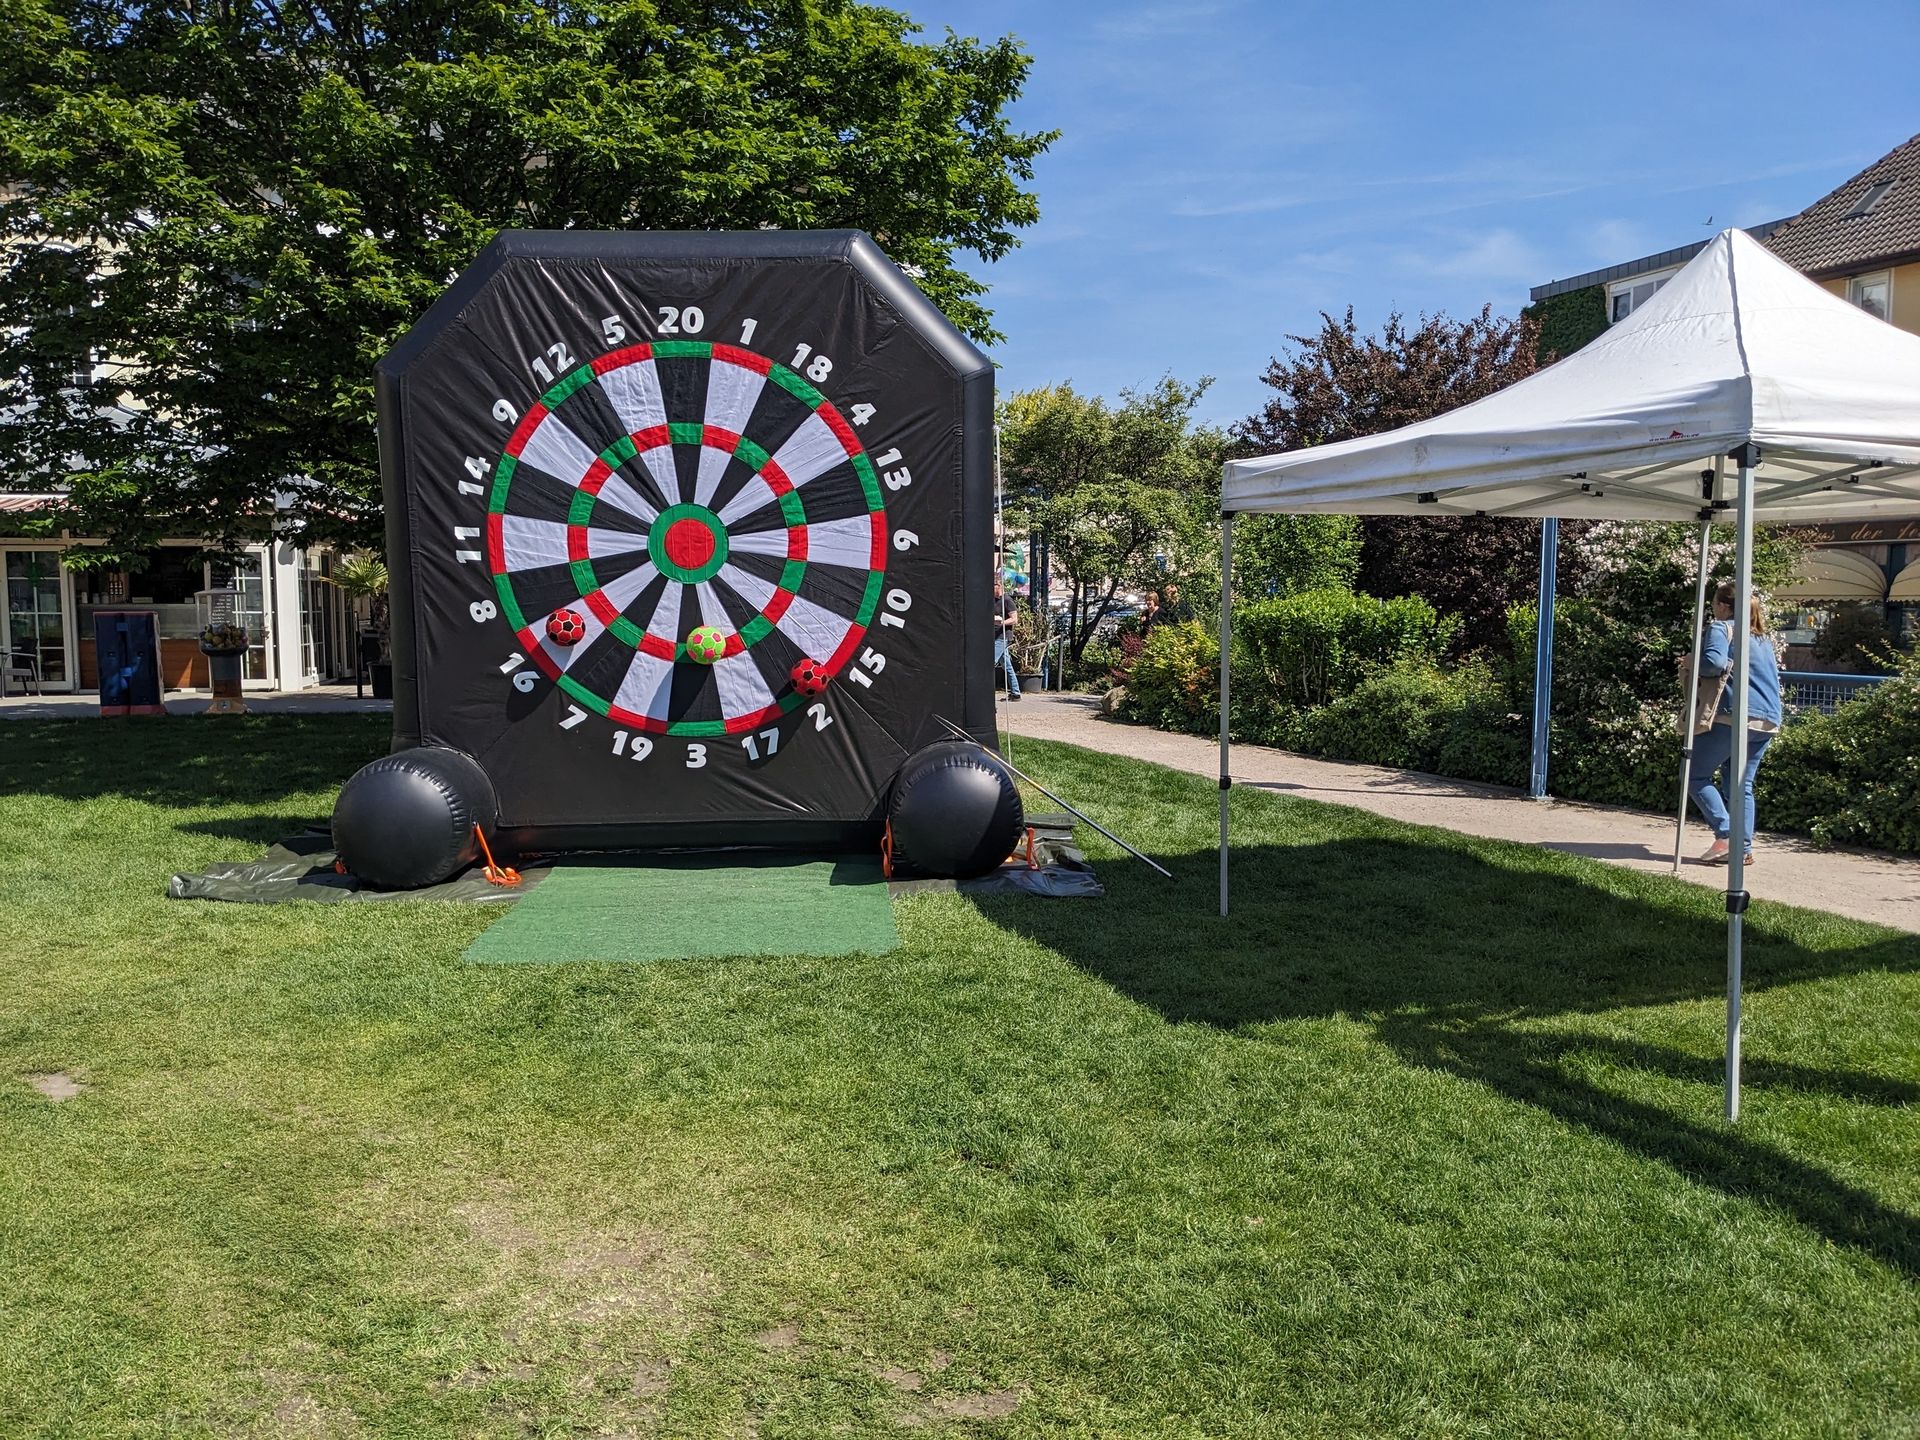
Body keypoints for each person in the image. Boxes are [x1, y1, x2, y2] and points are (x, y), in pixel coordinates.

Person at [1680, 581, 1782, 864]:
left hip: (1733, 715)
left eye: (1715, 604)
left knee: (1694, 774)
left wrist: (1691, 662)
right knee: (1741, 785)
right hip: (1767, 718)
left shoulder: (1721, 628)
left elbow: (1713, 663)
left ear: (1724, 606)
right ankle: (1742, 848)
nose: (1714, 609)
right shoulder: (1761, 638)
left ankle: (1727, 837)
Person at [993, 577, 1021, 700]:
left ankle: (984, 690)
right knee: (1007, 665)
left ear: (998, 586)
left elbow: (1014, 619)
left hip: (1003, 636)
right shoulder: (993, 600)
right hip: (994, 635)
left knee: (990, 661)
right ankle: (1016, 693)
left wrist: (1001, 622)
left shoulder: (1007, 600)